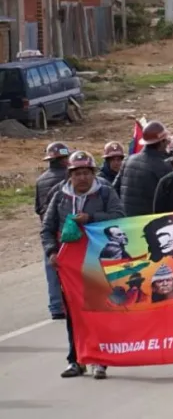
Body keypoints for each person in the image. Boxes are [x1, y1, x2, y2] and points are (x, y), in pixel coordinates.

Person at [41, 150, 124, 379]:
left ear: (93, 173)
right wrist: (52, 252)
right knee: (74, 315)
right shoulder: (60, 195)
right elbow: (47, 228)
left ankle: (100, 360)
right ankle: (76, 360)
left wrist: (91, 218)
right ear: (70, 175)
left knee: (98, 311)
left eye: (86, 173)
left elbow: (119, 216)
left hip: (98, 262)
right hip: (69, 267)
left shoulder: (105, 191)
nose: (82, 178)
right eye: (77, 173)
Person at [36, 141, 71, 320]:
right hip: (67, 229)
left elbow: (38, 208)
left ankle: (56, 306)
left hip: (48, 230)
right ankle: (74, 303)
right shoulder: (69, 178)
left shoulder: (40, 180)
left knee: (51, 267)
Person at [115, 121, 173, 217]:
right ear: (161, 142)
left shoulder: (128, 160)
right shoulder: (163, 166)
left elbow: (114, 189)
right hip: (149, 220)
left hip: (126, 220)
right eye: (165, 140)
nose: (167, 143)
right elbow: (170, 199)